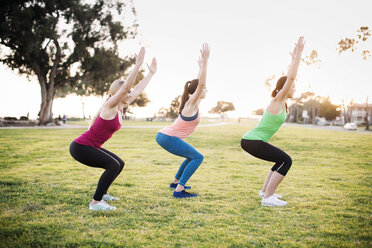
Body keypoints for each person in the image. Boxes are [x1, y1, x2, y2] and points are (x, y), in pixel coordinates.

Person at [69, 47, 157, 211]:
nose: (130, 94)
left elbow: (137, 89)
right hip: (81, 147)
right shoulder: (110, 105)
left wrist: (151, 73)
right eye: (126, 92)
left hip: (90, 146)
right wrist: (137, 66)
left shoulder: (121, 107)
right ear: (118, 93)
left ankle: (103, 193)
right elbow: (126, 88)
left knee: (119, 163)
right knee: (113, 165)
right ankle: (95, 203)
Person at [241, 37, 305, 207]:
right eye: (292, 86)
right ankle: (268, 198)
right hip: (252, 140)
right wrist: (298, 54)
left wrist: (292, 60)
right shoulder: (277, 99)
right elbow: (290, 77)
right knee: (286, 160)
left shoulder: (282, 103)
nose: (294, 88)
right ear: (285, 87)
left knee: (280, 160)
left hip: (251, 140)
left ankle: (265, 192)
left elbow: (289, 77)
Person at [156, 43, 210, 198]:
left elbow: (198, 83)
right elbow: (201, 84)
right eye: (204, 88)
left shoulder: (194, 103)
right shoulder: (191, 104)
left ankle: (175, 182)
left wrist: (200, 68)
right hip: (168, 137)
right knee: (197, 157)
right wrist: (206, 63)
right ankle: (179, 190)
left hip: (166, 136)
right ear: (197, 91)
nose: (206, 89)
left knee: (191, 156)